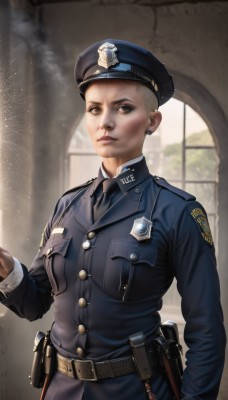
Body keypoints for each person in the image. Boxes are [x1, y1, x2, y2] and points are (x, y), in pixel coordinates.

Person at [0, 39, 226, 400]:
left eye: (123, 108)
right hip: (58, 390)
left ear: (152, 121)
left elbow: (207, 331)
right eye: (93, 109)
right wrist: (7, 268)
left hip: (137, 390)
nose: (105, 122)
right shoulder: (67, 206)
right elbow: (35, 303)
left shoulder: (178, 211)